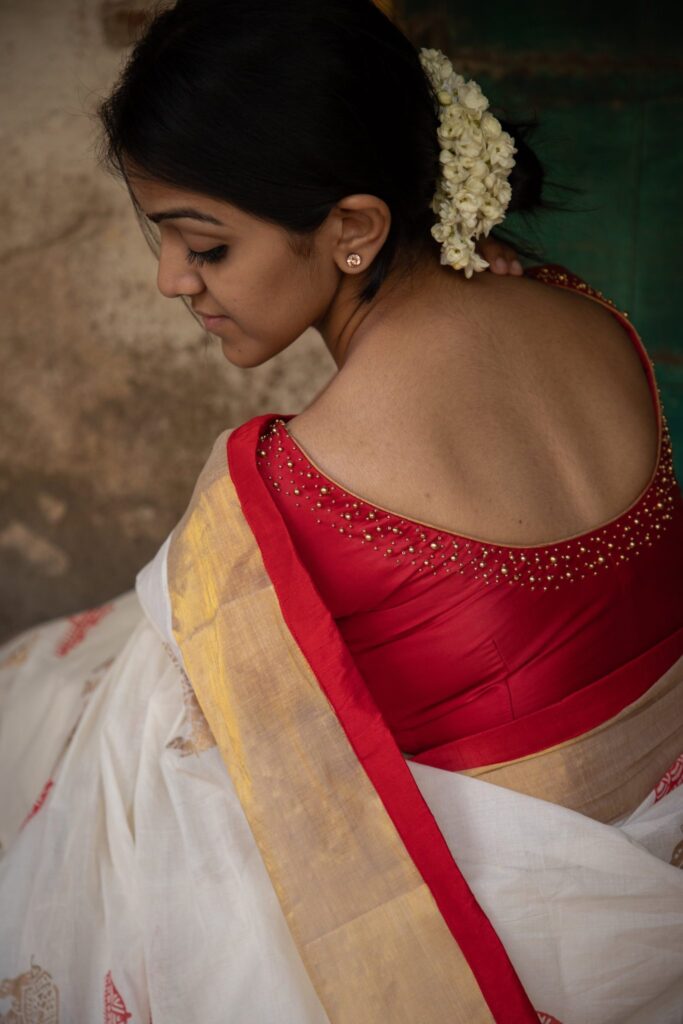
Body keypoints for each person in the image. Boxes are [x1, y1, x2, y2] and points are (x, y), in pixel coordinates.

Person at [0, 1, 681, 1021]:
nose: (168, 279)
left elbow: (196, 790)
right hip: (651, 834)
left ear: (355, 228)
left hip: (497, 930)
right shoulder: (577, 309)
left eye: (206, 246)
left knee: (78, 719)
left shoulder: (295, 478)